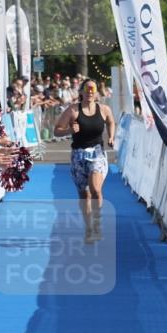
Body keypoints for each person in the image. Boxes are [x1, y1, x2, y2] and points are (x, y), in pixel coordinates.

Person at [53, 79, 116, 241]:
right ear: (81, 92)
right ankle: (89, 228)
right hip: (78, 156)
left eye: (92, 90)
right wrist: (68, 130)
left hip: (97, 154)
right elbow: (56, 131)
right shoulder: (72, 110)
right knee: (84, 195)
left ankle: (96, 223)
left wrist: (111, 136)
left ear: (96, 93)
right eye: (87, 90)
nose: (89, 93)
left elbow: (111, 121)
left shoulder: (104, 109)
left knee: (96, 189)